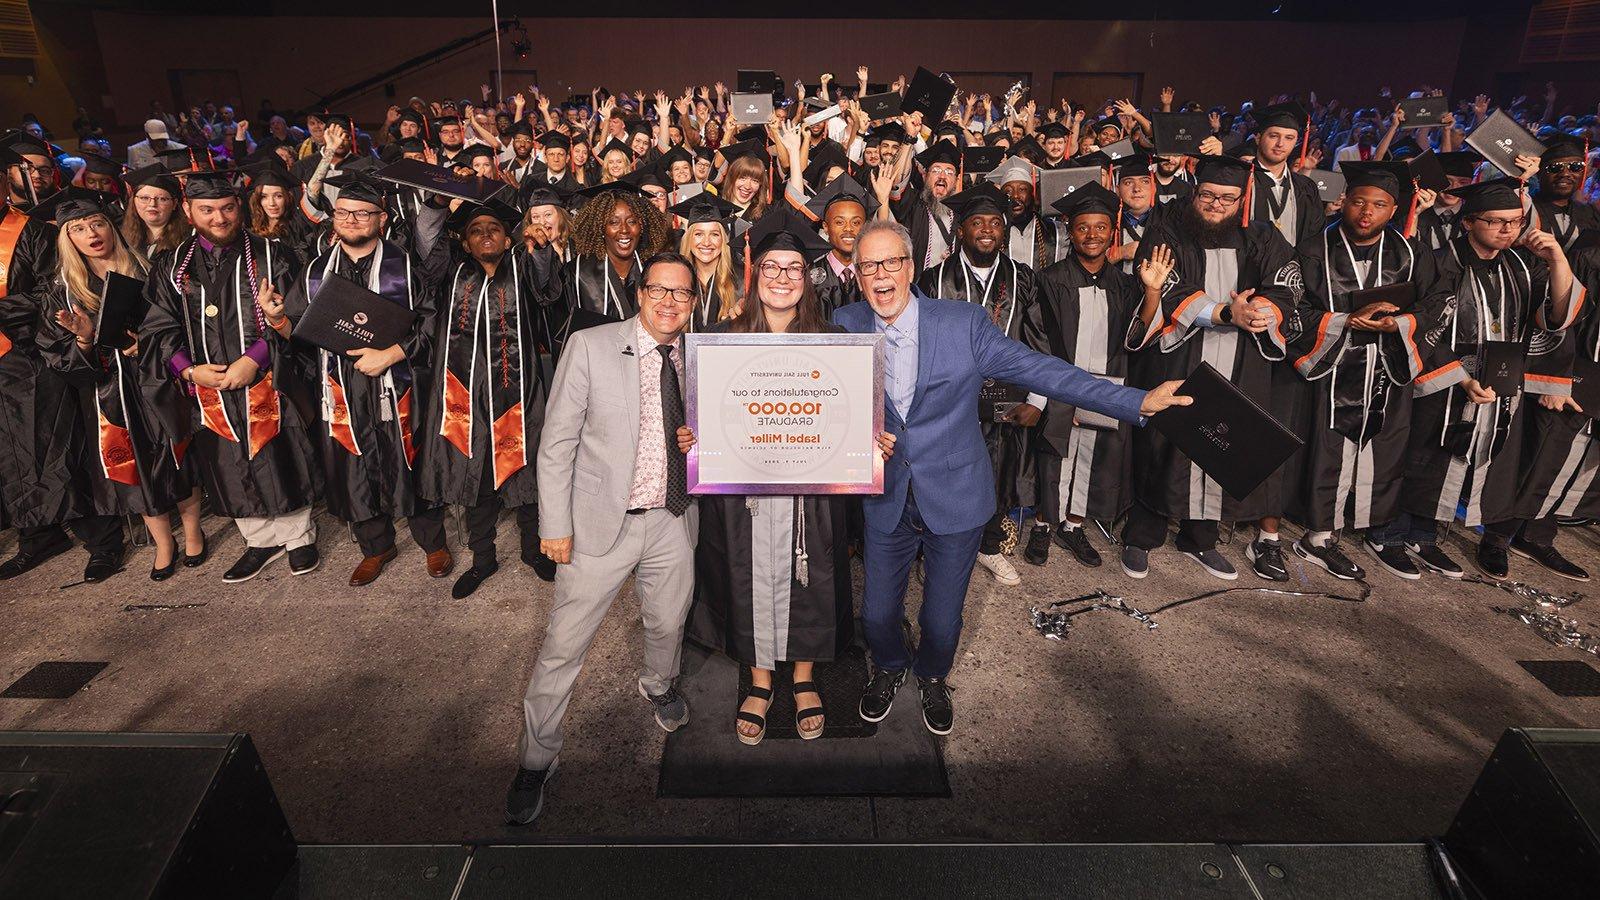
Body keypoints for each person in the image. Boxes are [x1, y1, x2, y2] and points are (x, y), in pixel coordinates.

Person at [834, 219, 1189, 735]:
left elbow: (1045, 371)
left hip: (954, 496)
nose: (881, 275)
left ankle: (933, 675)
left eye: (891, 262)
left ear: (911, 268)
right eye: (869, 266)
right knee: (878, 616)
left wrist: (1136, 400)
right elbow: (822, 401)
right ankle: (889, 667)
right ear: (859, 276)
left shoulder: (964, 324)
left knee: (940, 619)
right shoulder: (845, 324)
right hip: (886, 495)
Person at [681, 209, 894, 744]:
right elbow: (706, 416)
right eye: (771, 267)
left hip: (811, 490)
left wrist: (869, 443)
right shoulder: (722, 339)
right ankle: (759, 679)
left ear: (808, 277)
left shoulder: (832, 339)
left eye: (794, 268)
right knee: (745, 575)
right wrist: (693, 438)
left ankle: (802, 677)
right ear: (754, 276)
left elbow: (847, 411)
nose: (781, 277)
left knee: (813, 574)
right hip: (745, 489)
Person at [508, 251, 701, 825]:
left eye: (681, 293)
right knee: (565, 645)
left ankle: (659, 684)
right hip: (597, 525)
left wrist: (699, 440)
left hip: (671, 516)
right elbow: (557, 442)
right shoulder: (591, 346)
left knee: (669, 621)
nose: (669, 301)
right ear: (640, 294)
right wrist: (555, 527)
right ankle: (536, 759)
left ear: (693, 302)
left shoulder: (700, 356)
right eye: (658, 290)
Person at [1374, 177, 1581, 580]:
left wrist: (1558, 259)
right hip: (1437, 377)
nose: (1508, 230)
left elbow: (1557, 317)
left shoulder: (1522, 265)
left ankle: (1425, 536)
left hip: (1493, 383)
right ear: (1469, 222)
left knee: (1456, 461)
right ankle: (1388, 534)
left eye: (1515, 222)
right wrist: (1459, 375)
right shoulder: (1436, 259)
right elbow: (1418, 323)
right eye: (1497, 221)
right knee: (1419, 455)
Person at [1120, 154, 1300, 582]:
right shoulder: (1167, 230)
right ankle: (1141, 534)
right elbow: (1162, 286)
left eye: (1228, 198)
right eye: (1208, 195)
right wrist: (1222, 313)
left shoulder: (1262, 236)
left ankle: (1199, 539)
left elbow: (1287, 287)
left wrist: (1261, 312)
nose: (1217, 204)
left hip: (1242, 359)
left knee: (1223, 439)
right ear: (1194, 192)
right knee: (1165, 443)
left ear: (1243, 199)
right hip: (1182, 352)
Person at [138, 166, 320, 583]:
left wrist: (255, 358)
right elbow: (158, 327)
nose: (218, 218)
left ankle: (298, 537)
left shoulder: (274, 254)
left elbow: (294, 312)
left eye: (225, 208)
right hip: (209, 386)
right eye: (206, 210)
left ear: (239, 206)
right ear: (187, 210)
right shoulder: (171, 266)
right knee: (227, 460)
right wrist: (189, 370)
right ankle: (259, 541)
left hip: (267, 379)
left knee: (280, 453)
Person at [284, 172, 452, 586]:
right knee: (352, 462)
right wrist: (277, 320)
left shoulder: (406, 265)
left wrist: (392, 354)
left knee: (409, 455)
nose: (353, 219)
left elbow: (434, 322)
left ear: (382, 218)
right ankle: (376, 546)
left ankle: (433, 541)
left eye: (363, 213)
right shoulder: (315, 270)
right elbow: (297, 330)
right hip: (342, 387)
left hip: (397, 381)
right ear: (333, 218)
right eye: (344, 213)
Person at [36, 198, 206, 581]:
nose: (91, 234)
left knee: (177, 454)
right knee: (135, 467)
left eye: (96, 223)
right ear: (68, 239)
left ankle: (194, 533)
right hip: (111, 391)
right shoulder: (62, 291)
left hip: (157, 379)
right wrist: (84, 339)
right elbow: (56, 355)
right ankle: (164, 543)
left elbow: (181, 321)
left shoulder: (149, 267)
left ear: (110, 226)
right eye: (78, 229)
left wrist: (147, 342)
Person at [1285, 162, 1438, 580]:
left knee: (1384, 449)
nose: (1366, 212)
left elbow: (1436, 304)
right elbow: (1292, 307)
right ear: (1345, 202)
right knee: (1328, 451)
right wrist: (1342, 323)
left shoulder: (1412, 253)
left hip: (1388, 362)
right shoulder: (1313, 248)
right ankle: (1318, 536)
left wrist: (1400, 324)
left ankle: (1378, 531)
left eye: (1379, 205)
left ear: (1394, 210)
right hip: (1331, 364)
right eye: (1358, 202)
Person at [415, 199, 564, 599]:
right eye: (476, 230)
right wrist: (436, 203)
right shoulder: (453, 272)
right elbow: (427, 258)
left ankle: (535, 552)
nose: (485, 235)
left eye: (494, 228)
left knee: (528, 476)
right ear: (464, 242)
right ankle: (484, 560)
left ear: (506, 235)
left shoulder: (522, 266)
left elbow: (549, 290)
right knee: (476, 480)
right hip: (466, 397)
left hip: (519, 393)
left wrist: (543, 249)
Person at [1025, 183, 1166, 568]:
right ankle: (1042, 524)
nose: (1092, 235)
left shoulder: (1124, 283)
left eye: (1101, 227)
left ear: (1112, 233)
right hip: (1059, 385)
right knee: (1056, 455)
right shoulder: (1050, 279)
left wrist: (1152, 292)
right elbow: (1037, 337)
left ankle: (1073, 526)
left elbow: (1138, 337)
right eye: (1083, 227)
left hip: (1106, 387)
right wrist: (1054, 393)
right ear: (1071, 232)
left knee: (1092, 455)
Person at [916, 181, 1039, 587]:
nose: (986, 229)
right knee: (943, 474)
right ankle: (935, 547)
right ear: (962, 230)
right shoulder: (933, 280)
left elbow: (1040, 341)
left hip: (1007, 403)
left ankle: (988, 546)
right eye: (976, 222)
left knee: (998, 472)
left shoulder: (1024, 279)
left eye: (994, 222)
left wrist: (1037, 398)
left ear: (1003, 230)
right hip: (949, 403)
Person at [560, 184, 671, 321]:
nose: (624, 230)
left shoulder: (655, 270)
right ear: (601, 228)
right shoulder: (578, 273)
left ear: (641, 227)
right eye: (613, 222)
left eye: (631, 221)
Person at [802, 173, 881, 314]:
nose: (848, 228)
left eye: (856, 222)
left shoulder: (875, 273)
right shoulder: (809, 276)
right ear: (826, 227)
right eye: (839, 222)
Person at [669, 192, 741, 331]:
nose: (706, 242)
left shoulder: (740, 282)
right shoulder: (675, 281)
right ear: (689, 239)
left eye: (714, 234)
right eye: (698, 234)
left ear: (723, 240)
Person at [1531, 140, 1600, 252]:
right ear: (1539, 173)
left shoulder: (1590, 214)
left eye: (1575, 167)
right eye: (1555, 167)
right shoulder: (1524, 210)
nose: (1565, 174)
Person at [121, 165, 192, 258]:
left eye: (162, 199)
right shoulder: (123, 238)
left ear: (174, 204)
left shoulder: (188, 241)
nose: (152, 204)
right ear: (133, 201)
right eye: (144, 198)